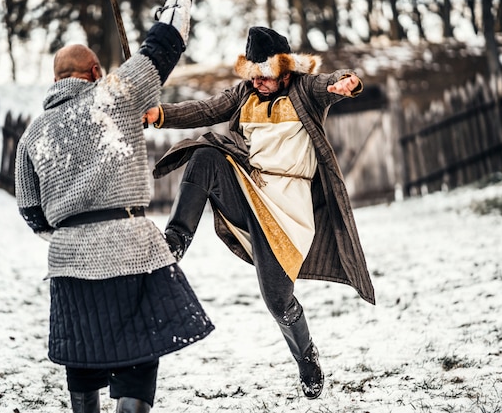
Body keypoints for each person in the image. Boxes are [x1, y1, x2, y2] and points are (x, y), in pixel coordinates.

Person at [144, 26, 376, 399]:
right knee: (204, 154)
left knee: (277, 300)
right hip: (248, 186)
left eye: (264, 76)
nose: (258, 83)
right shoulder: (245, 94)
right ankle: (175, 241)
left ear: (285, 71)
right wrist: (159, 115)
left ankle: (306, 356)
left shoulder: (304, 90)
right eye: (252, 75)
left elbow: (329, 82)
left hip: (288, 207)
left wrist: (345, 82)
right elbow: (205, 109)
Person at [14, 0, 213, 413]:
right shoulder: (114, 95)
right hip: (131, 253)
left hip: (69, 263)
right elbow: (165, 44)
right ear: (95, 73)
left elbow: (31, 210)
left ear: (55, 80)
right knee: (137, 358)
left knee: (83, 365)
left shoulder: (31, 136)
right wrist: (176, 4)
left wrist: (74, 233)